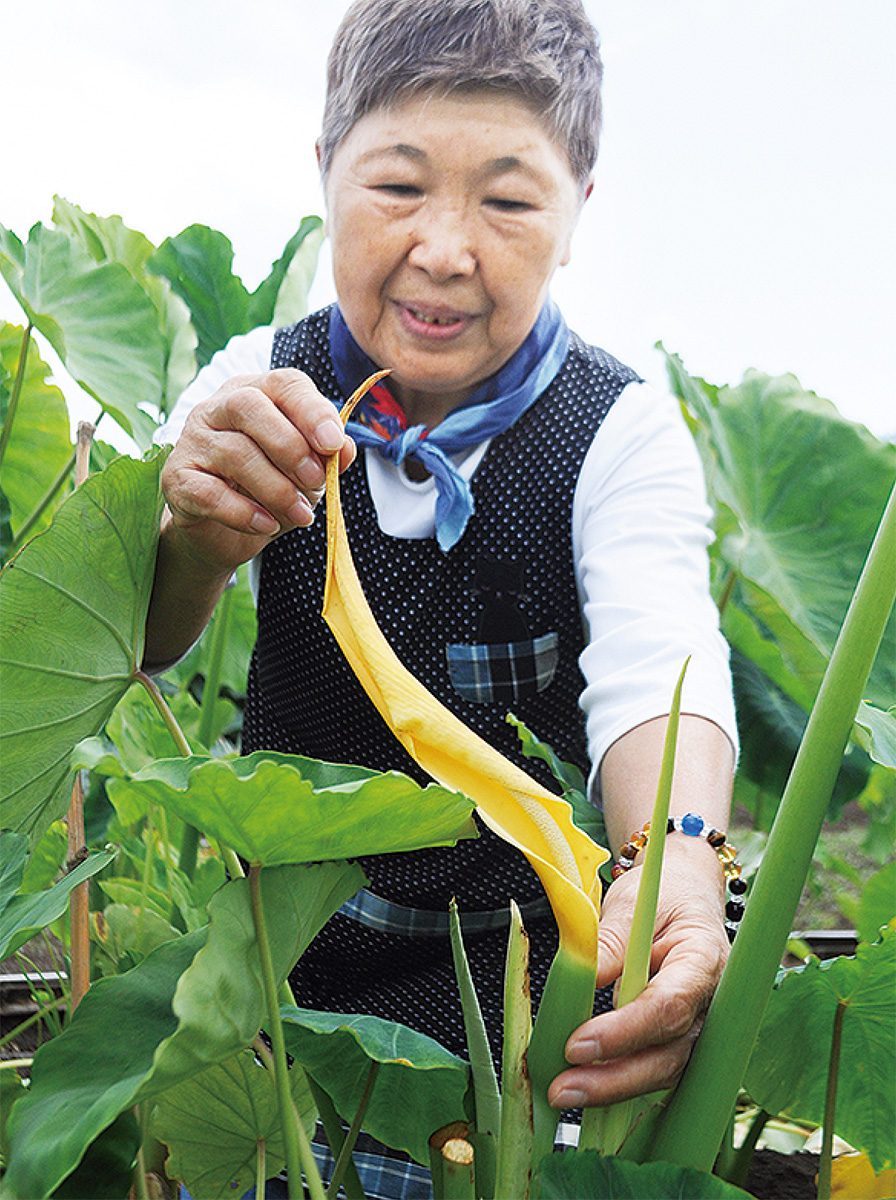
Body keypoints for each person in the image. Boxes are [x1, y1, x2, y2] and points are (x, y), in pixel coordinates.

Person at [147, 0, 738, 1193]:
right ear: (324, 173)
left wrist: (676, 852)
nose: (444, 250)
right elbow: (146, 640)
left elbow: (656, 664)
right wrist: (193, 534)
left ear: (577, 214)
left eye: (509, 202)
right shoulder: (258, 386)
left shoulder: (611, 432)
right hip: (282, 979)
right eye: (396, 186)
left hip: (522, 1006)